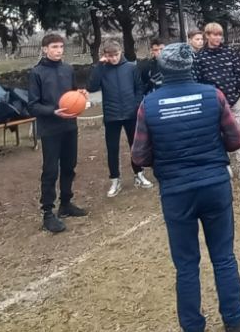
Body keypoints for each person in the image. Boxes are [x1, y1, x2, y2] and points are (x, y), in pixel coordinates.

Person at [133, 43, 240, 332]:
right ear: (191, 67)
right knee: (223, 256)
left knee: (186, 264)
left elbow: (139, 155)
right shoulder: (212, 95)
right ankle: (233, 324)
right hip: (214, 184)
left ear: (162, 70)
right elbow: (236, 140)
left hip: (176, 191)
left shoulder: (148, 105)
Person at [27, 33, 86, 233]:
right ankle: (48, 213)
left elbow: (73, 95)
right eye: (54, 47)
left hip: (70, 126)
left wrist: (81, 96)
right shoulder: (36, 73)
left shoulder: (68, 69)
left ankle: (66, 203)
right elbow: (32, 106)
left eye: (61, 46)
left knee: (70, 165)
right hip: (50, 128)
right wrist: (52, 111)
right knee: (51, 170)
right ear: (45, 49)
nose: (59, 50)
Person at [87, 41, 155, 198]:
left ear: (121, 52)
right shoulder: (102, 69)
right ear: (105, 56)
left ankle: (138, 173)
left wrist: (137, 105)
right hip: (111, 115)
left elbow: (139, 88)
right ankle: (115, 179)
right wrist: (98, 66)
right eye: (109, 56)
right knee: (112, 149)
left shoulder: (131, 68)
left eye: (116, 55)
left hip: (131, 114)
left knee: (135, 145)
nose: (113, 59)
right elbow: (91, 87)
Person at [194, 22, 240, 182]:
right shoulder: (200, 57)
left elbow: (239, 74)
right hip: (213, 104)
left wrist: (238, 94)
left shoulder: (230, 52)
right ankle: (225, 166)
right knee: (217, 134)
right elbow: (197, 81)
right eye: (214, 34)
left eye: (219, 34)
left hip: (233, 100)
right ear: (207, 36)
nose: (217, 38)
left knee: (238, 132)